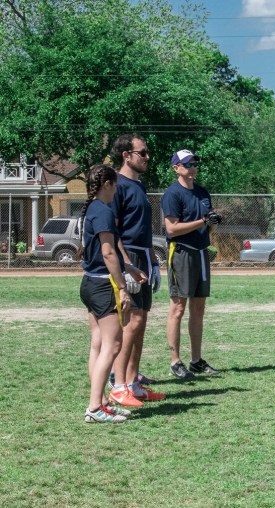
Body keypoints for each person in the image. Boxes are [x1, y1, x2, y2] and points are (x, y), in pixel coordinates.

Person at [80, 164, 146, 423]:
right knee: (113, 344)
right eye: (115, 184)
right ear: (107, 184)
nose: (117, 188)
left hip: (89, 283)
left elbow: (107, 251)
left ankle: (101, 403)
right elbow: (108, 253)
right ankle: (95, 407)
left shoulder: (93, 209)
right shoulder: (104, 211)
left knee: (98, 344)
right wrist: (122, 287)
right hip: (102, 285)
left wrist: (128, 265)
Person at [107, 134, 165, 407]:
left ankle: (133, 384)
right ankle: (118, 385)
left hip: (142, 257)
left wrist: (152, 261)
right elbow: (113, 230)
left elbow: (143, 230)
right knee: (130, 324)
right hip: (128, 259)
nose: (147, 157)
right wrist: (126, 265)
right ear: (126, 155)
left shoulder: (139, 186)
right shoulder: (117, 186)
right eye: (142, 152)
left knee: (140, 324)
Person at [161, 149, 222, 379]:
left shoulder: (202, 192)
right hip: (181, 253)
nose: (193, 168)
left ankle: (196, 360)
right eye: (187, 164)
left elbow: (208, 227)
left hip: (201, 253)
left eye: (195, 163)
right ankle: (175, 361)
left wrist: (212, 223)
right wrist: (201, 221)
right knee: (178, 308)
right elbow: (172, 228)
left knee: (199, 308)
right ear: (176, 167)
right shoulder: (172, 194)